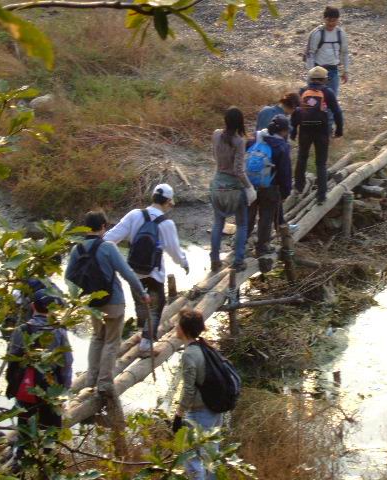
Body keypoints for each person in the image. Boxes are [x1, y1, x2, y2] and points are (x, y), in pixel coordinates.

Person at [66, 210, 150, 394]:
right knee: (111, 342)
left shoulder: (77, 249)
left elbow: (68, 277)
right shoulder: (108, 247)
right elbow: (127, 273)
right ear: (103, 226)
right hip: (114, 301)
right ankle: (104, 383)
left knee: (97, 338)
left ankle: (90, 380)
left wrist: (80, 296)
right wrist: (142, 293)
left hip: (92, 303)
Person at [104, 185, 188, 357]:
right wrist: (184, 263)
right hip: (154, 273)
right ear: (168, 202)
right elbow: (175, 251)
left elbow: (110, 238)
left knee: (141, 304)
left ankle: (142, 333)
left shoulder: (134, 215)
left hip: (134, 271)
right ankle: (145, 345)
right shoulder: (167, 224)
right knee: (157, 307)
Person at [5, 288, 73, 468]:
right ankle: (46, 468)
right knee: (50, 438)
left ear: (33, 306)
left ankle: (19, 466)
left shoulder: (21, 330)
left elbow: (12, 360)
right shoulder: (59, 331)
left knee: (24, 435)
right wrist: (64, 390)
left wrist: (12, 386)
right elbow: (66, 363)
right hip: (51, 390)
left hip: (26, 390)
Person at [173, 308, 223, 480]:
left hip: (200, 413)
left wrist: (178, 415)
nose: (175, 327)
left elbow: (188, 390)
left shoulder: (189, 354)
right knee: (211, 458)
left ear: (184, 329)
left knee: (192, 460)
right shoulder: (206, 347)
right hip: (215, 410)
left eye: (177, 324)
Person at [210, 107, 256, 273]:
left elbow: (214, 155)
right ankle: (238, 261)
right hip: (234, 188)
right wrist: (249, 187)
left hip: (217, 184)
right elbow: (238, 171)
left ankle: (215, 260)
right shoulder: (239, 141)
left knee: (218, 223)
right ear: (240, 123)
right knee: (242, 224)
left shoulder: (216, 134)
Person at [291, 66, 344, 205]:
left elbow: (296, 112)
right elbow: (337, 112)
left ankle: (298, 188)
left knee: (302, 158)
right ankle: (321, 196)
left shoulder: (303, 91)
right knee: (321, 163)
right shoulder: (328, 92)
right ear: (324, 79)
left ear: (310, 79)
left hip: (305, 130)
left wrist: (293, 130)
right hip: (322, 131)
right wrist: (339, 130)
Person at [247, 115, 293, 257]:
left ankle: (241, 242)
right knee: (266, 217)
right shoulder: (281, 147)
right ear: (283, 131)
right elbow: (285, 173)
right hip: (270, 187)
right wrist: (285, 192)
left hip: (250, 184)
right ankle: (262, 247)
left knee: (249, 215)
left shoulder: (255, 138)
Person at [303, 6, 350, 99]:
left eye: (334, 21)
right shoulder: (317, 33)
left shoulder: (341, 34)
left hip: (333, 72)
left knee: (332, 101)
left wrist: (346, 71)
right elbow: (310, 54)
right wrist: (311, 74)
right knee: (314, 101)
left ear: (338, 20)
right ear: (324, 19)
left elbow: (345, 53)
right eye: (329, 20)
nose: (331, 23)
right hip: (318, 73)